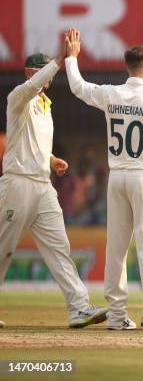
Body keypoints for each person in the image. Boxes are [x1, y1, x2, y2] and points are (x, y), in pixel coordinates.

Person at [64, 29, 143, 331]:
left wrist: (72, 58)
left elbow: (77, 87)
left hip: (117, 178)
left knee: (116, 247)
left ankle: (116, 314)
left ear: (127, 67)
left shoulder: (112, 94)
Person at [0, 49, 107, 329]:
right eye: (42, 72)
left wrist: (51, 159)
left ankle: (79, 308)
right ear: (29, 73)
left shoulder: (46, 105)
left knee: (60, 248)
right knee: (4, 248)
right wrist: (62, 58)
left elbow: (31, 143)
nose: (46, 80)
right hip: (18, 184)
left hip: (43, 187)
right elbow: (34, 87)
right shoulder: (18, 98)